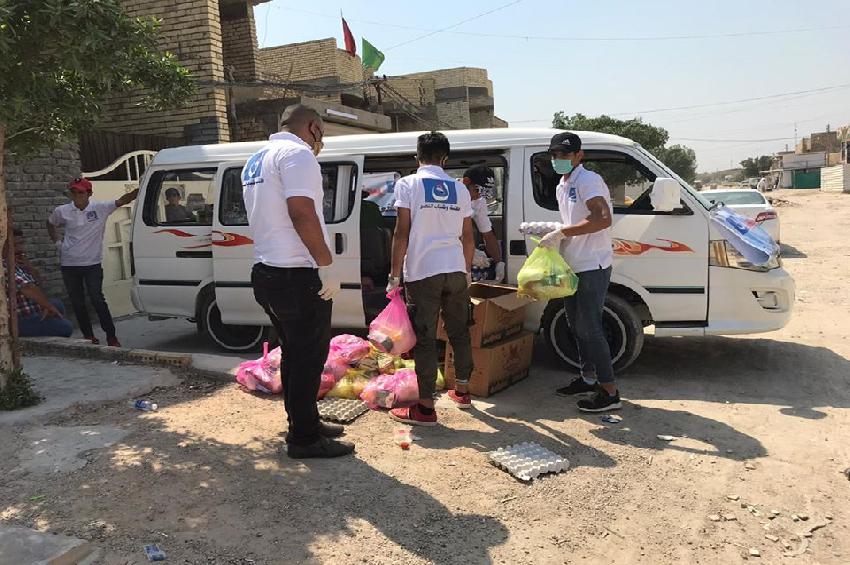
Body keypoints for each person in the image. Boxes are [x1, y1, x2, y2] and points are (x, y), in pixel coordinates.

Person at [243, 104, 353, 459]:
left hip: (267, 272)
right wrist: (326, 265)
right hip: (297, 274)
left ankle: (303, 421)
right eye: (322, 134)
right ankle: (304, 439)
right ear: (314, 128)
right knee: (308, 356)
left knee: (294, 353)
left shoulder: (257, 158)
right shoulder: (298, 154)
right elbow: (301, 212)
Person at [387, 132, 475, 425]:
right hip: (455, 270)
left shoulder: (408, 184)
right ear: (445, 159)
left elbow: (402, 232)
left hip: (424, 272)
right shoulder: (460, 189)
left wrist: (394, 274)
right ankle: (462, 391)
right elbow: (468, 236)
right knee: (459, 332)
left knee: (425, 339)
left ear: (417, 157)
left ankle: (425, 409)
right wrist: (467, 270)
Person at [537, 132, 621, 412]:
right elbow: (574, 220)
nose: (558, 159)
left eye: (564, 154)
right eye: (555, 155)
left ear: (578, 155)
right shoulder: (563, 184)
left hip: (591, 265)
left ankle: (609, 392)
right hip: (572, 264)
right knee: (576, 326)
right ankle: (588, 379)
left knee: (591, 328)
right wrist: (551, 230)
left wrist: (562, 232)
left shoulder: (588, 180)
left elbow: (602, 218)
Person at [47, 177, 139, 346]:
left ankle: (111, 336)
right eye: (73, 192)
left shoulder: (100, 208)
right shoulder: (62, 211)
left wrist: (141, 188)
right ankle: (88, 336)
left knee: (97, 298)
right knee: (77, 302)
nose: (76, 195)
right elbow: (50, 223)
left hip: (92, 264)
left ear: (89, 193)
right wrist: (58, 243)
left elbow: (123, 200)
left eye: (80, 192)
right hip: (69, 265)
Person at [5, 229, 73, 338]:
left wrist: (31, 269)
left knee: (57, 304)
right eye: (14, 245)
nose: (20, 249)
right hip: (19, 320)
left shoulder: (17, 263)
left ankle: (50, 324)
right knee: (66, 327)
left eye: (21, 243)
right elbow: (27, 288)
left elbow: (39, 287)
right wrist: (48, 306)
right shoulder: (5, 266)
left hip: (31, 311)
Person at [460, 164, 505, 282]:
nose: (479, 195)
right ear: (465, 182)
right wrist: (470, 254)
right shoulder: (450, 196)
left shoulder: (478, 201)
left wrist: (499, 262)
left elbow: (488, 234)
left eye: (484, 192)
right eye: (478, 190)